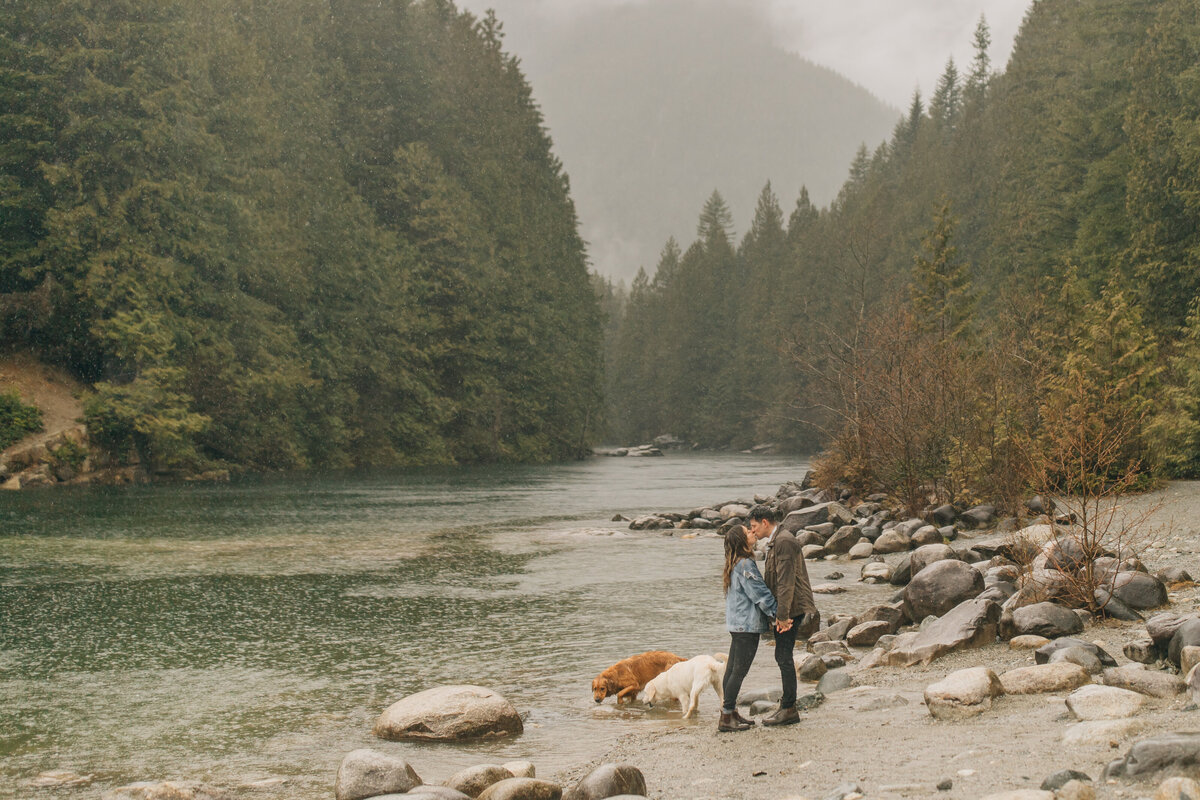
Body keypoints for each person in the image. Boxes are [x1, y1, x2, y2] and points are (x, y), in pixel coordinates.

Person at [748, 504, 819, 726]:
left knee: (783, 657)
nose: (753, 532)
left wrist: (782, 616)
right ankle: (787, 705)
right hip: (787, 608)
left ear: (765, 523)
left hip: (791, 609)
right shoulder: (777, 541)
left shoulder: (784, 541)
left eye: (754, 526)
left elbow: (786, 582)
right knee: (782, 656)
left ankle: (789, 708)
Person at [719, 523, 777, 732]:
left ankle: (730, 712)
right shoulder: (745, 565)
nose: (753, 532)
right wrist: (778, 615)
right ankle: (726, 717)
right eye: (748, 532)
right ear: (742, 541)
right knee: (738, 672)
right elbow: (759, 594)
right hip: (747, 626)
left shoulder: (734, 563)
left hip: (737, 624)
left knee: (732, 669)